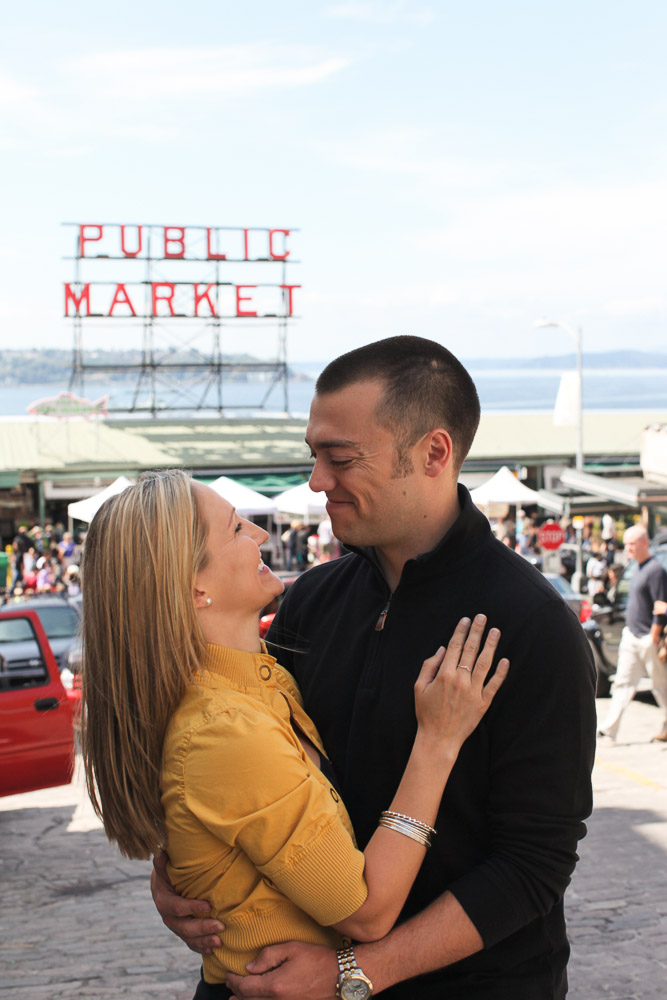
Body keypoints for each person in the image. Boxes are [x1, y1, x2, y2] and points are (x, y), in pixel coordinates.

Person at [153, 336, 597, 1000]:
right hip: (268, 980)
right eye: (313, 456)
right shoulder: (310, 600)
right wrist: (183, 873)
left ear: (434, 454)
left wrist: (356, 973)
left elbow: (534, 863)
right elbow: (240, 777)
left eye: (340, 459)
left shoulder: (531, 624)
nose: (316, 481)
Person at [80, 469, 508, 998]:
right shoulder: (225, 729)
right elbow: (367, 911)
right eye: (237, 529)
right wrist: (438, 742)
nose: (260, 534)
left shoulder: (258, 678)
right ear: (194, 588)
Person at [598, 524, 667, 743]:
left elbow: (661, 606)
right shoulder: (636, 568)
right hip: (631, 635)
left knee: (660, 687)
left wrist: (654, 636)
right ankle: (609, 729)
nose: (627, 548)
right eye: (626, 543)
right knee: (622, 683)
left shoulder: (655, 570)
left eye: (631, 543)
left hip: (648, 637)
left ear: (644, 543)